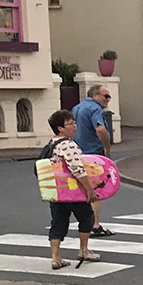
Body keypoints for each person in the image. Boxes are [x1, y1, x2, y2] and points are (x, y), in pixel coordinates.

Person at [44, 109, 99, 269]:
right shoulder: (68, 144)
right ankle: (84, 250)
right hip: (72, 191)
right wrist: (90, 189)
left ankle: (55, 257)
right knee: (86, 217)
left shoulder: (52, 143)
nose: (74, 126)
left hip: (57, 191)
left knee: (58, 222)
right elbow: (77, 169)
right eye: (70, 124)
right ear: (60, 128)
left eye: (74, 123)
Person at [71, 84, 116, 236]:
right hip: (94, 154)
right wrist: (106, 148)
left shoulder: (76, 108)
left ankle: (85, 222)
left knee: (84, 190)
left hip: (78, 153)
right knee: (97, 190)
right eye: (106, 96)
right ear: (95, 95)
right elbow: (100, 129)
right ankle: (94, 225)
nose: (108, 100)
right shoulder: (95, 108)